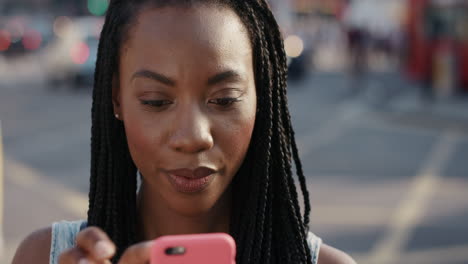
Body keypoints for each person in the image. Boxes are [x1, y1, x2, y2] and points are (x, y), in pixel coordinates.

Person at [12, 0, 356, 263]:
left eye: (224, 100)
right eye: (156, 101)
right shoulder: (45, 256)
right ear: (117, 98)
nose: (193, 137)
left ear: (261, 97)